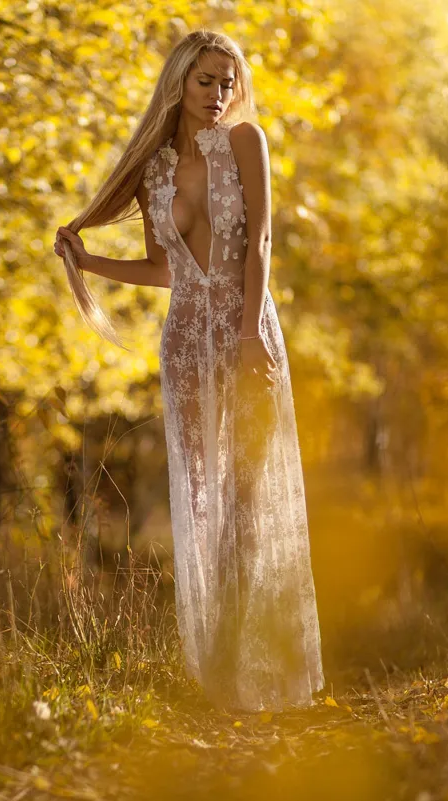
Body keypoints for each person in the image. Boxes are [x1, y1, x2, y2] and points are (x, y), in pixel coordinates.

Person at [53, 30, 323, 712]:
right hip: (184, 344)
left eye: (227, 82)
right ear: (179, 82)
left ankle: (260, 666)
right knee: (204, 498)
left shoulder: (245, 143)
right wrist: (87, 264)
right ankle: (217, 673)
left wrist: (248, 334)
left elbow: (259, 240)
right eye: (206, 81)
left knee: (249, 499)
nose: (219, 95)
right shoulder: (155, 170)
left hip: (245, 330)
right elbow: (163, 270)